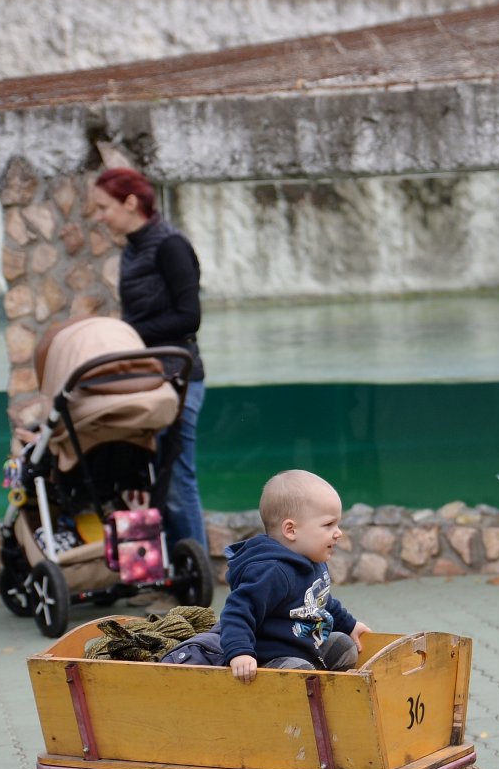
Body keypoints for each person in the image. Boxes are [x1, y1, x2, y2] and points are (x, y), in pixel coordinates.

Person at [86, 168, 208, 550]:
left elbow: (190, 316)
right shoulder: (134, 246)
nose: (99, 216)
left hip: (180, 377)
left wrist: (129, 335)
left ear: (131, 203)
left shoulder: (170, 244)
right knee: (154, 478)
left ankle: (193, 583)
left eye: (103, 207)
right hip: (151, 376)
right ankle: (165, 573)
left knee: (176, 478)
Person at [220, 470, 370, 678]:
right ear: (291, 530)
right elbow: (238, 611)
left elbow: (323, 601)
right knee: (299, 672)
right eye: (328, 525)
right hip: (273, 660)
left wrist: (350, 624)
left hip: (308, 649)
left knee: (343, 646)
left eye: (337, 524)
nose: (338, 532)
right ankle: (306, 703)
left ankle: (330, 693)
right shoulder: (271, 571)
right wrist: (240, 653)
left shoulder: (312, 559)